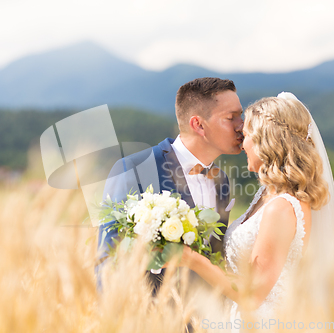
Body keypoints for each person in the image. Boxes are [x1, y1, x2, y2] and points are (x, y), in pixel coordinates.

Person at [168, 92, 334, 325]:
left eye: (246, 135)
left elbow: (253, 294)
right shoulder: (266, 194)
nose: (241, 143)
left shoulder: (281, 208)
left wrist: (192, 259)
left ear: (266, 141)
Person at [96, 77, 245, 293]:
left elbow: (215, 258)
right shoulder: (133, 169)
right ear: (199, 125)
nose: (241, 125)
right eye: (231, 117)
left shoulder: (221, 180)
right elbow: (107, 261)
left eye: (240, 115)